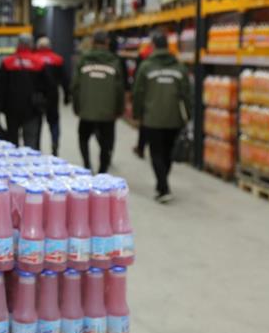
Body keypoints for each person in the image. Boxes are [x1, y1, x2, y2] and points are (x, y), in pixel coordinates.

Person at [133, 31, 192, 203]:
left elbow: (138, 92)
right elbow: (187, 94)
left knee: (156, 152)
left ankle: (163, 186)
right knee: (167, 152)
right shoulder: (179, 68)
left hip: (152, 118)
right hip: (174, 118)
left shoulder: (146, 67)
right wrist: (187, 115)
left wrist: (137, 113)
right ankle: (162, 183)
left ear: (153, 46)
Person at [72, 30, 125, 173]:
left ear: (93, 43)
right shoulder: (114, 61)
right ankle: (102, 171)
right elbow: (119, 89)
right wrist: (119, 109)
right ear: (107, 43)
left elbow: (75, 86)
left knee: (83, 137)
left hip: (87, 109)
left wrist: (77, 107)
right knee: (106, 142)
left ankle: (87, 165)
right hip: (108, 111)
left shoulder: (83, 60)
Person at [0, 34, 46, 148]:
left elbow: (0, 87)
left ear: (18, 44)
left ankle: (14, 162)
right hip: (32, 109)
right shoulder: (39, 62)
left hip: (11, 109)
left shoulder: (7, 62)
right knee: (31, 141)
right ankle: (31, 163)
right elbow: (48, 87)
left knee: (12, 141)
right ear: (31, 45)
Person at [35, 36, 70, 156]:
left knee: (36, 123)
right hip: (53, 96)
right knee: (54, 122)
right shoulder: (58, 59)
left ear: (38, 47)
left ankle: (36, 148)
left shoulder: (34, 59)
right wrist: (66, 95)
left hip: (37, 97)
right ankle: (55, 145)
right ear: (49, 46)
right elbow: (65, 79)